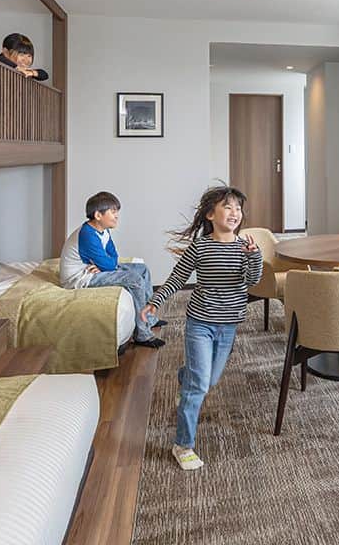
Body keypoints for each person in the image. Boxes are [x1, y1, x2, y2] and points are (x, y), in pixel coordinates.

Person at [140, 186, 263, 471]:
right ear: (210, 214)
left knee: (209, 380)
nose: (235, 213)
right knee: (198, 386)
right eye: (227, 207)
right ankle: (182, 445)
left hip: (228, 325)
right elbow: (177, 278)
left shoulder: (244, 247)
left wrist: (254, 255)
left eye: (238, 208)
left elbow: (253, 280)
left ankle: (185, 377)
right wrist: (155, 301)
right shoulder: (200, 247)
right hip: (200, 323)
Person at [59, 191, 165, 348]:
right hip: (79, 278)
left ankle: (149, 319)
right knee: (134, 280)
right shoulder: (87, 234)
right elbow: (108, 264)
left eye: (117, 212)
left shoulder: (103, 230)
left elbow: (113, 256)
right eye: (113, 212)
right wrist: (105, 265)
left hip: (93, 270)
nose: (117, 216)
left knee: (142, 269)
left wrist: (104, 266)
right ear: (98, 215)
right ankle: (142, 334)